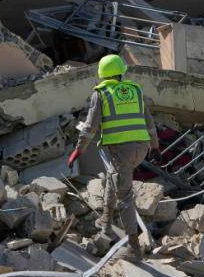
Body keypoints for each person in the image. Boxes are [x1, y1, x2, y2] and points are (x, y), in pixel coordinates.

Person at [68, 54, 159, 260]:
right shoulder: (135, 90)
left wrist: (78, 151)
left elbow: (90, 128)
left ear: (101, 75)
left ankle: (134, 247)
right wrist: (155, 145)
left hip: (120, 152)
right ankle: (106, 224)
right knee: (112, 180)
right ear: (121, 72)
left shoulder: (101, 93)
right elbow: (149, 121)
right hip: (141, 147)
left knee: (124, 197)